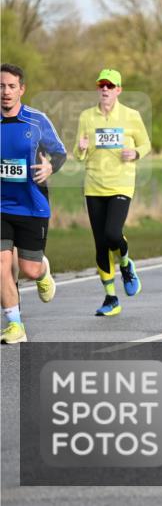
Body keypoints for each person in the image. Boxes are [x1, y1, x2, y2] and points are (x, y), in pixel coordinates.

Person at [74, 69, 152, 316]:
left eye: (110, 85)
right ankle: (111, 298)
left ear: (119, 89)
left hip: (121, 184)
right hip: (94, 185)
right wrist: (81, 147)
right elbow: (78, 154)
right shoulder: (86, 116)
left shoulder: (131, 115)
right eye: (101, 85)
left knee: (112, 234)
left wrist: (136, 153)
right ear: (98, 89)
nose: (105, 89)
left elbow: (146, 144)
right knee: (100, 245)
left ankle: (126, 263)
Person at [0, 64, 65, 344]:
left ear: (21, 89)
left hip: (32, 205)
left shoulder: (36, 121)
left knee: (29, 269)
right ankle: (15, 324)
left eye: (11, 86)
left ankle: (43, 271)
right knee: (1, 263)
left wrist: (50, 168)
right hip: (2, 205)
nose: (5, 92)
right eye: (1, 86)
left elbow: (59, 153)